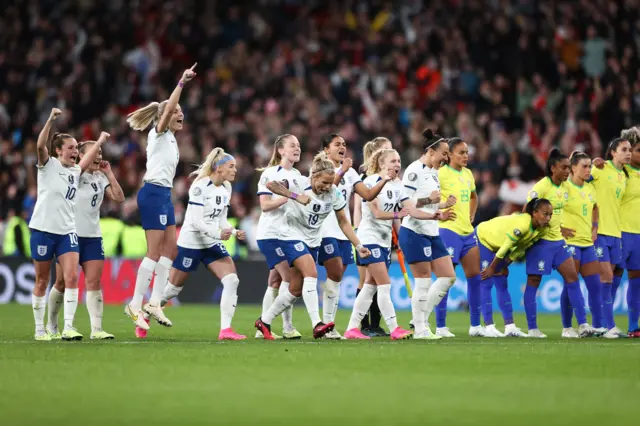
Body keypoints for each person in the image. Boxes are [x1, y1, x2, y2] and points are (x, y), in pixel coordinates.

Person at [255, 152, 371, 340]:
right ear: (314, 176)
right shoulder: (298, 182)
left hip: (313, 240)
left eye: (330, 182)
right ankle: (318, 324)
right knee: (312, 274)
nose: (327, 187)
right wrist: (294, 196)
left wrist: (358, 245)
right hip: (291, 236)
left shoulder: (334, 193)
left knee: (295, 289)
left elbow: (343, 222)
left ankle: (264, 321)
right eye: (324, 182)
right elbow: (271, 185)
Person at [124, 64, 197, 337]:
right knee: (154, 252)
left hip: (163, 195)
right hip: (153, 193)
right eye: (177, 111)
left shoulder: (173, 141)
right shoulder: (159, 133)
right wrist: (181, 81)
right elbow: (167, 111)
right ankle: (134, 304)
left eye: (181, 112)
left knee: (171, 251)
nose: (181, 115)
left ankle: (154, 302)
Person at [148, 149, 247, 340]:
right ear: (219, 168)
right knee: (172, 290)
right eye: (231, 166)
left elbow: (222, 219)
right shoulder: (199, 187)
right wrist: (219, 233)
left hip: (211, 242)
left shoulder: (226, 187)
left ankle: (225, 330)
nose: (235, 170)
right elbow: (196, 222)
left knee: (232, 280)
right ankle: (145, 314)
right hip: (191, 243)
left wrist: (233, 231)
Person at [29, 107, 109, 341]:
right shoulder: (47, 166)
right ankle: (40, 329)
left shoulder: (75, 171)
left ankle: (68, 327)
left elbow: (87, 158)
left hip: (67, 232)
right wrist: (50, 120)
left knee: (72, 278)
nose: (75, 152)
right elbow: (40, 145)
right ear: (58, 151)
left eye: (76, 148)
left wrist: (101, 140)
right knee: (42, 280)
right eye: (71, 148)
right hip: (44, 230)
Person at [47, 141, 125, 340]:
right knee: (62, 282)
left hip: (92, 237)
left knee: (94, 282)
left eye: (100, 152)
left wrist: (109, 174)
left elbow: (119, 197)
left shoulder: (100, 177)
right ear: (82, 155)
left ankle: (97, 329)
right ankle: (51, 324)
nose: (98, 156)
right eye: (94, 152)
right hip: (69, 234)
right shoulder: (73, 173)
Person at [319, 133, 391, 339]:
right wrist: (342, 170)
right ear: (326, 149)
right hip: (324, 230)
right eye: (337, 144)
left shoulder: (350, 174)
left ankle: (328, 326)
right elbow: (326, 189)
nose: (342, 147)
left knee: (337, 278)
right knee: (332, 275)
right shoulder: (320, 169)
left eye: (344, 144)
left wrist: (384, 180)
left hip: (344, 231)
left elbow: (367, 195)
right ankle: (325, 325)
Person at [343, 148, 412, 339]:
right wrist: (398, 214)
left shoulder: (399, 186)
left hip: (384, 241)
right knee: (384, 284)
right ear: (382, 164)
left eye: (398, 161)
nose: (397, 164)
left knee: (369, 286)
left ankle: (352, 328)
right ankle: (394, 328)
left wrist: (433, 208)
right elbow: (377, 213)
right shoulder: (371, 182)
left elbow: (411, 207)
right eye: (392, 161)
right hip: (368, 238)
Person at [524, 149, 594, 338]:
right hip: (540, 244)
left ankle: (582, 325)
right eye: (564, 167)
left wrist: (560, 228)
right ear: (552, 168)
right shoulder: (543, 186)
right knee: (533, 282)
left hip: (559, 243)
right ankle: (532, 329)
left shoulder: (564, 188)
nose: (567, 171)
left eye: (568, 167)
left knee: (573, 279)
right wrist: (529, 235)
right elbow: (527, 210)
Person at [398, 129, 457, 340]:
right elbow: (408, 206)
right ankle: (421, 329)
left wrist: (441, 206)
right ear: (431, 151)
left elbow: (428, 202)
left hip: (431, 232)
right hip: (414, 232)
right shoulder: (414, 171)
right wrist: (433, 209)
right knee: (422, 281)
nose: (446, 157)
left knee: (448, 277)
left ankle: (419, 319)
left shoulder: (433, 172)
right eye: (444, 153)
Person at [436, 138, 491, 337]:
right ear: (449, 154)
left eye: (467, 152)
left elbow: (474, 196)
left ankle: (475, 326)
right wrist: (439, 213)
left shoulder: (468, 174)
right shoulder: (441, 173)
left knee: (475, 278)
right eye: (461, 152)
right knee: (446, 279)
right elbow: (427, 197)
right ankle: (441, 327)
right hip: (448, 231)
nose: (465, 156)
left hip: (468, 232)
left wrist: (472, 214)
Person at [477, 198, 553, 337]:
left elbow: (521, 248)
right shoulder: (523, 224)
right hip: (485, 238)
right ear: (534, 213)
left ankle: (510, 327)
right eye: (545, 214)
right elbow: (507, 246)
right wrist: (493, 268)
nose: (548, 218)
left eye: (550, 215)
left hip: (499, 245)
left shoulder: (541, 230)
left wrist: (505, 265)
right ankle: (489, 327)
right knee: (486, 281)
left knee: (502, 282)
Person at [255, 134, 303, 339]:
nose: (297, 148)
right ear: (281, 150)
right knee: (289, 278)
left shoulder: (298, 174)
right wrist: (287, 198)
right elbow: (265, 205)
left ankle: (266, 328)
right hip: (271, 234)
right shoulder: (270, 173)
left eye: (299, 145)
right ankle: (283, 326)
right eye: (292, 145)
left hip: (288, 233)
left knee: (274, 280)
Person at [590, 138, 631, 338]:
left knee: (612, 279)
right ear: (612, 152)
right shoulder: (599, 169)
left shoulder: (624, 176)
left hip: (616, 233)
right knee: (605, 276)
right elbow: (577, 170)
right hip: (600, 233)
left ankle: (599, 324)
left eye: (630, 150)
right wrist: (593, 161)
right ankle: (609, 326)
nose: (628, 153)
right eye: (624, 149)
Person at [353, 137, 393, 336]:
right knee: (366, 281)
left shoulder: (388, 179)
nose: (392, 154)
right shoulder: (365, 178)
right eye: (387, 150)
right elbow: (357, 208)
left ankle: (374, 325)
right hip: (366, 235)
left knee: (374, 282)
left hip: (383, 234)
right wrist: (357, 233)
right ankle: (364, 325)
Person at [561, 152, 604, 337]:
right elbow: (550, 209)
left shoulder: (590, 188)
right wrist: (559, 228)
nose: (588, 170)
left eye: (589, 166)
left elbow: (595, 207)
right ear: (573, 168)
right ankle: (567, 327)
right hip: (569, 243)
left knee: (595, 284)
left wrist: (595, 227)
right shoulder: (564, 188)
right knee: (571, 283)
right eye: (584, 166)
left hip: (587, 243)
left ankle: (598, 325)